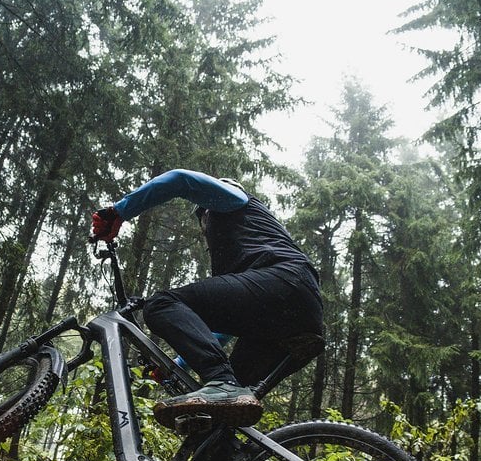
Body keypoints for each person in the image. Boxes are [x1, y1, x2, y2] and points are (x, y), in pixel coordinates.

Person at [91, 169, 323, 429]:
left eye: (204, 214)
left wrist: (119, 212)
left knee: (161, 304)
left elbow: (180, 180)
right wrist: (180, 364)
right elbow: (223, 327)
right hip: (294, 318)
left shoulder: (236, 200)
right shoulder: (243, 252)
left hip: (285, 282)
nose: (204, 223)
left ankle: (221, 381)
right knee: (223, 414)